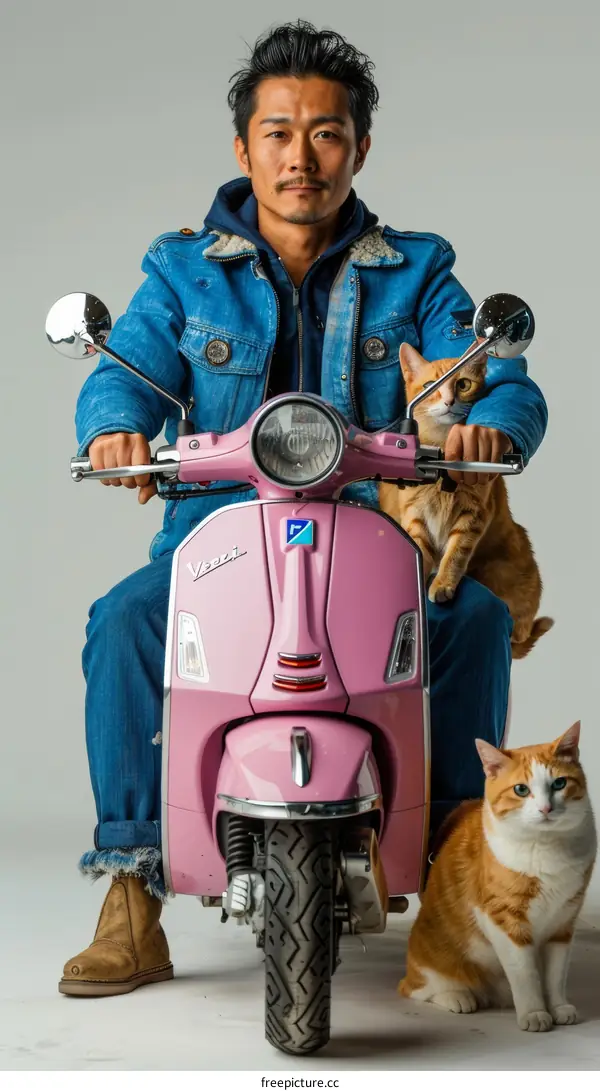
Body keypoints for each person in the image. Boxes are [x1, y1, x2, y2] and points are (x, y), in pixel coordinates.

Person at [60, 20, 547, 997]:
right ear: (244, 148)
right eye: (279, 131)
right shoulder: (182, 270)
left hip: (379, 526)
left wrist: (494, 422)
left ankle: (460, 859)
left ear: (359, 147)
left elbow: (495, 373)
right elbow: (132, 371)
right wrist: (115, 427)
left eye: (326, 132)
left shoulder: (416, 268)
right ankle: (131, 886)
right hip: (217, 530)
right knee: (122, 623)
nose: (301, 154)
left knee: (475, 618)